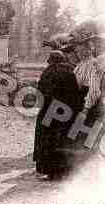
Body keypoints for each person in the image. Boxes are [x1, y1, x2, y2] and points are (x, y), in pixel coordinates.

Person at [33, 51, 83, 180]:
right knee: (64, 139)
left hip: (49, 111)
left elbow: (41, 92)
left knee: (47, 139)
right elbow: (76, 93)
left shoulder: (48, 72)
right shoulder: (71, 71)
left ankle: (50, 172)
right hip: (67, 112)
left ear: (52, 60)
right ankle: (66, 171)